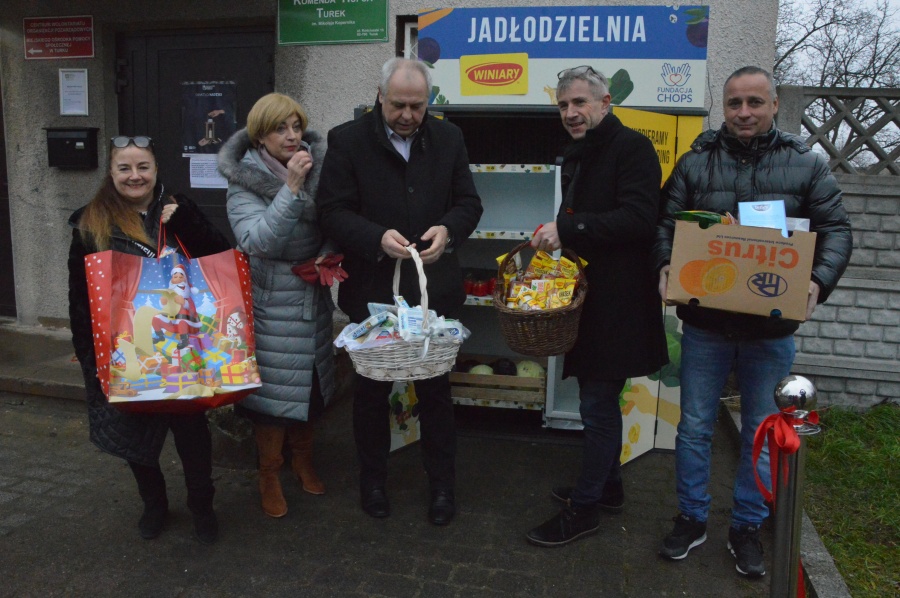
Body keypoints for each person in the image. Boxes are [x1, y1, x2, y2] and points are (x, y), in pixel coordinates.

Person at [653, 66, 852, 578]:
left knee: (763, 430)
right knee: (695, 426)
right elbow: (666, 222)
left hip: (771, 330)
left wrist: (817, 283)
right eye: (736, 103)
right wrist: (664, 265)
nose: (745, 112)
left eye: (755, 103)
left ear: (773, 106)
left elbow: (835, 228)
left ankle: (746, 525)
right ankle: (692, 518)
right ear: (725, 106)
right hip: (706, 324)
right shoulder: (696, 163)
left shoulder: (806, 164)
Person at [317, 58, 482, 525]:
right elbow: (331, 211)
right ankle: (372, 481)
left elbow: (469, 202)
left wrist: (448, 230)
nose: (408, 115)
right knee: (370, 394)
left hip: (435, 293)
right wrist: (375, 238)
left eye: (417, 105)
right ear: (379, 95)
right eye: (398, 105)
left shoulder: (448, 138)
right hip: (373, 291)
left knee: (435, 394)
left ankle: (442, 488)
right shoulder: (347, 141)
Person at [524, 66, 669, 547]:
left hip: (621, 302)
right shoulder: (579, 154)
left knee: (597, 404)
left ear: (606, 102)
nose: (571, 113)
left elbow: (639, 218)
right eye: (564, 105)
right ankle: (608, 489)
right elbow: (590, 216)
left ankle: (584, 510)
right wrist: (557, 233)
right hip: (591, 297)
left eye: (581, 102)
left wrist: (569, 230)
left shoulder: (632, 148)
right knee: (598, 400)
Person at [67, 135, 232, 544]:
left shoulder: (179, 208)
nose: (134, 175)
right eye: (124, 167)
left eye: (143, 167)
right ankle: (154, 504)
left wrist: (187, 224)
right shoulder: (91, 222)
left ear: (156, 170)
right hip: (129, 349)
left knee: (192, 433)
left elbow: (220, 259)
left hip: (184, 347)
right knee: (133, 437)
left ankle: (202, 507)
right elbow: (79, 299)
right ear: (111, 173)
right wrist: (91, 359)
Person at [218, 93, 339, 518]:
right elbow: (257, 241)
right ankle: (269, 471)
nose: (291, 136)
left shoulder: (319, 165)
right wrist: (289, 189)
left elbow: (334, 218)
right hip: (271, 300)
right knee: (272, 395)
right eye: (279, 129)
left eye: (296, 126)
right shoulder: (244, 179)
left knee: (310, 384)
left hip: (312, 291)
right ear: (260, 136)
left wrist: (328, 250)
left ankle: (303, 459)